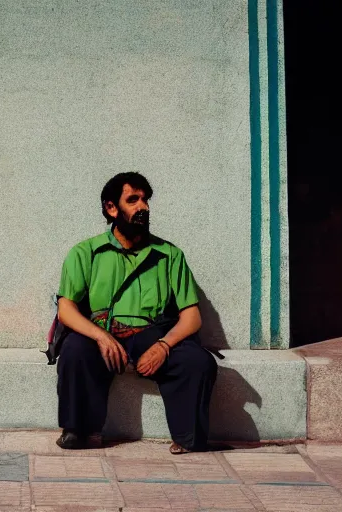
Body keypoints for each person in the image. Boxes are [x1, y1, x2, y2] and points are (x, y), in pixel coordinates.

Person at [55, 172, 217, 453]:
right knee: (74, 350)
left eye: (145, 200)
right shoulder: (85, 253)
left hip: (151, 333)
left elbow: (192, 316)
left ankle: (188, 438)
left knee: (198, 362)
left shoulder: (170, 255)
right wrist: (102, 337)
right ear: (111, 208)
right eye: (133, 200)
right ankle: (79, 431)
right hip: (101, 331)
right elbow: (66, 310)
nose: (143, 207)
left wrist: (163, 346)